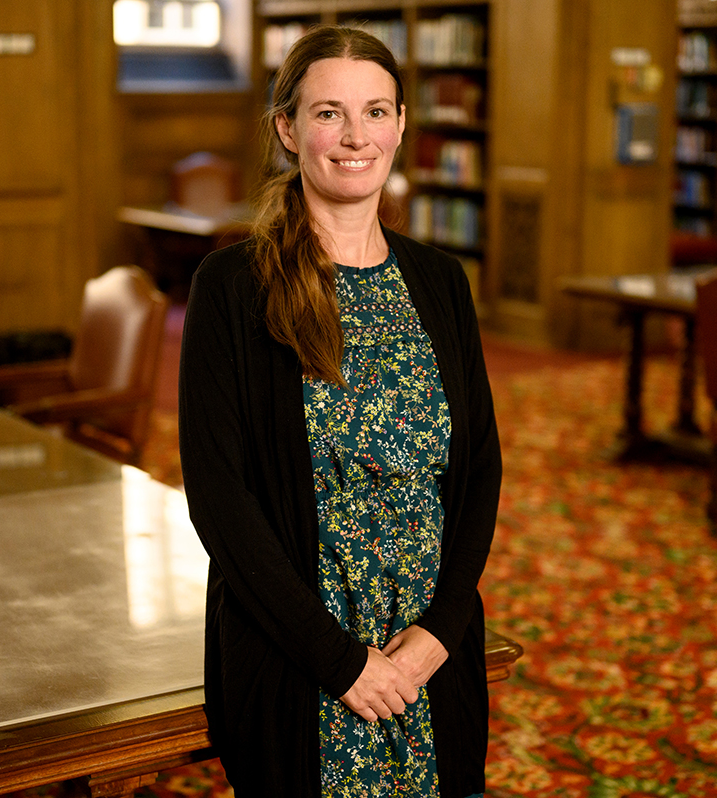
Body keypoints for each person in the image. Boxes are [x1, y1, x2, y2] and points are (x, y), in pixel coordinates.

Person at [178, 24, 501, 798]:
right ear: (287, 129)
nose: (356, 136)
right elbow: (221, 502)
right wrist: (341, 661)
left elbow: (478, 471)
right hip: (301, 658)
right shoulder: (232, 287)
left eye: (376, 111)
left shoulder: (441, 282)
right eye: (329, 113)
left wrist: (438, 635)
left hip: (427, 651)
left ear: (399, 126)